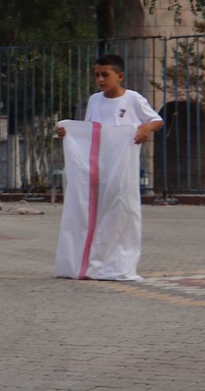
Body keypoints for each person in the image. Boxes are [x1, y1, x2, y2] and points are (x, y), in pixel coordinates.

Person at [54, 54, 162, 281]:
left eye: (105, 75)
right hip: (97, 169)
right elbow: (90, 131)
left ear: (119, 76)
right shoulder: (95, 100)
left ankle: (118, 265)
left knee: (121, 214)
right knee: (92, 214)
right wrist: (69, 133)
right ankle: (90, 263)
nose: (100, 79)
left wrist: (146, 128)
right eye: (97, 75)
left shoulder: (133, 99)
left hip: (122, 169)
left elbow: (157, 120)